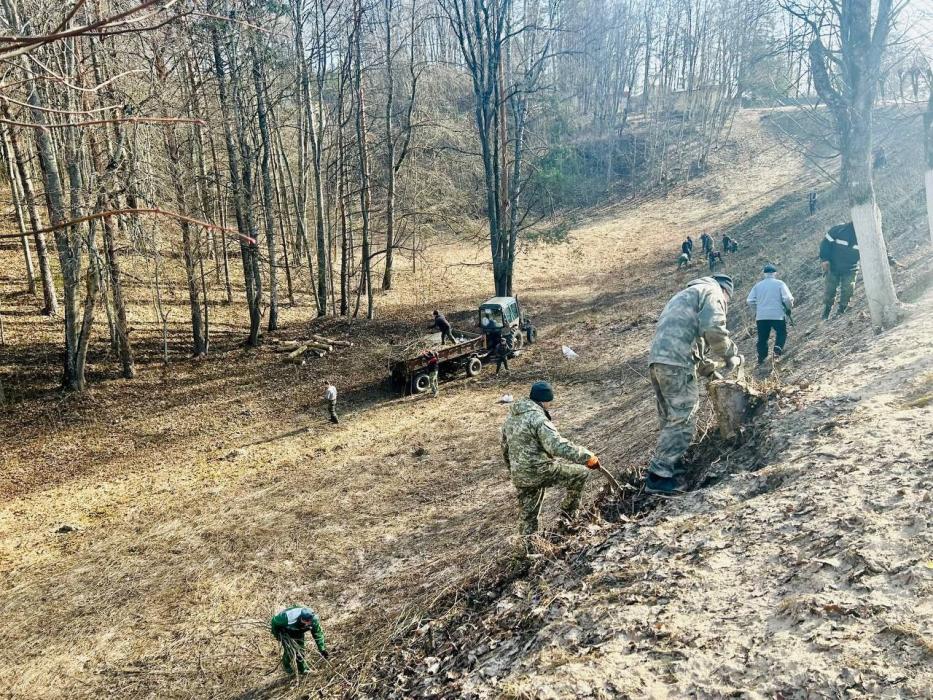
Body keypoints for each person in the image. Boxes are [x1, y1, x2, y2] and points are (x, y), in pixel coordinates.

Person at [645, 275, 743, 495]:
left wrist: (710, 371)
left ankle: (673, 464)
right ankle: (659, 477)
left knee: (671, 417)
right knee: (684, 417)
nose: (725, 304)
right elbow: (714, 328)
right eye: (727, 301)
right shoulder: (713, 293)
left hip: (659, 360)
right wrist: (730, 354)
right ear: (726, 292)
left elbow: (690, 341)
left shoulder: (686, 295)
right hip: (676, 362)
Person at [501, 381, 601, 535]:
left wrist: (514, 470)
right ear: (545, 400)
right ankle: (568, 516)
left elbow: (505, 448)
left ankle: (524, 554)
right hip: (539, 470)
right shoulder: (538, 419)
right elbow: (556, 445)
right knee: (581, 473)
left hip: (520, 474)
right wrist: (587, 457)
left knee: (528, 516)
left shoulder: (511, 418)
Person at [746, 264, 794, 366]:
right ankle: (777, 351)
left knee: (762, 338)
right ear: (775, 273)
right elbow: (788, 299)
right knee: (781, 332)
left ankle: (761, 359)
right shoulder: (780, 284)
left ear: (764, 274)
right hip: (777, 314)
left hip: (761, 316)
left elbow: (750, 301)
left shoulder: (758, 286)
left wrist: (757, 310)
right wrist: (788, 308)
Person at [269, 606, 328, 676]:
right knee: (289, 651)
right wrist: (278, 635)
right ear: (301, 618)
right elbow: (274, 621)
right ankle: (286, 666)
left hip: (299, 631)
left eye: (309, 622)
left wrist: (322, 648)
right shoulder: (287, 617)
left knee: (300, 651)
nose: (308, 623)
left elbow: (318, 634)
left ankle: (303, 669)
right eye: (306, 621)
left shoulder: (314, 620)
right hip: (286, 631)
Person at [819, 222, 859, 319]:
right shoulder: (838, 230)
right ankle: (826, 312)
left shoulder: (865, 235)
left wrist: (891, 261)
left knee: (848, 289)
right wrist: (824, 259)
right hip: (833, 266)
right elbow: (825, 244)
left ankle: (841, 310)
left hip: (851, 268)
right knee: (830, 290)